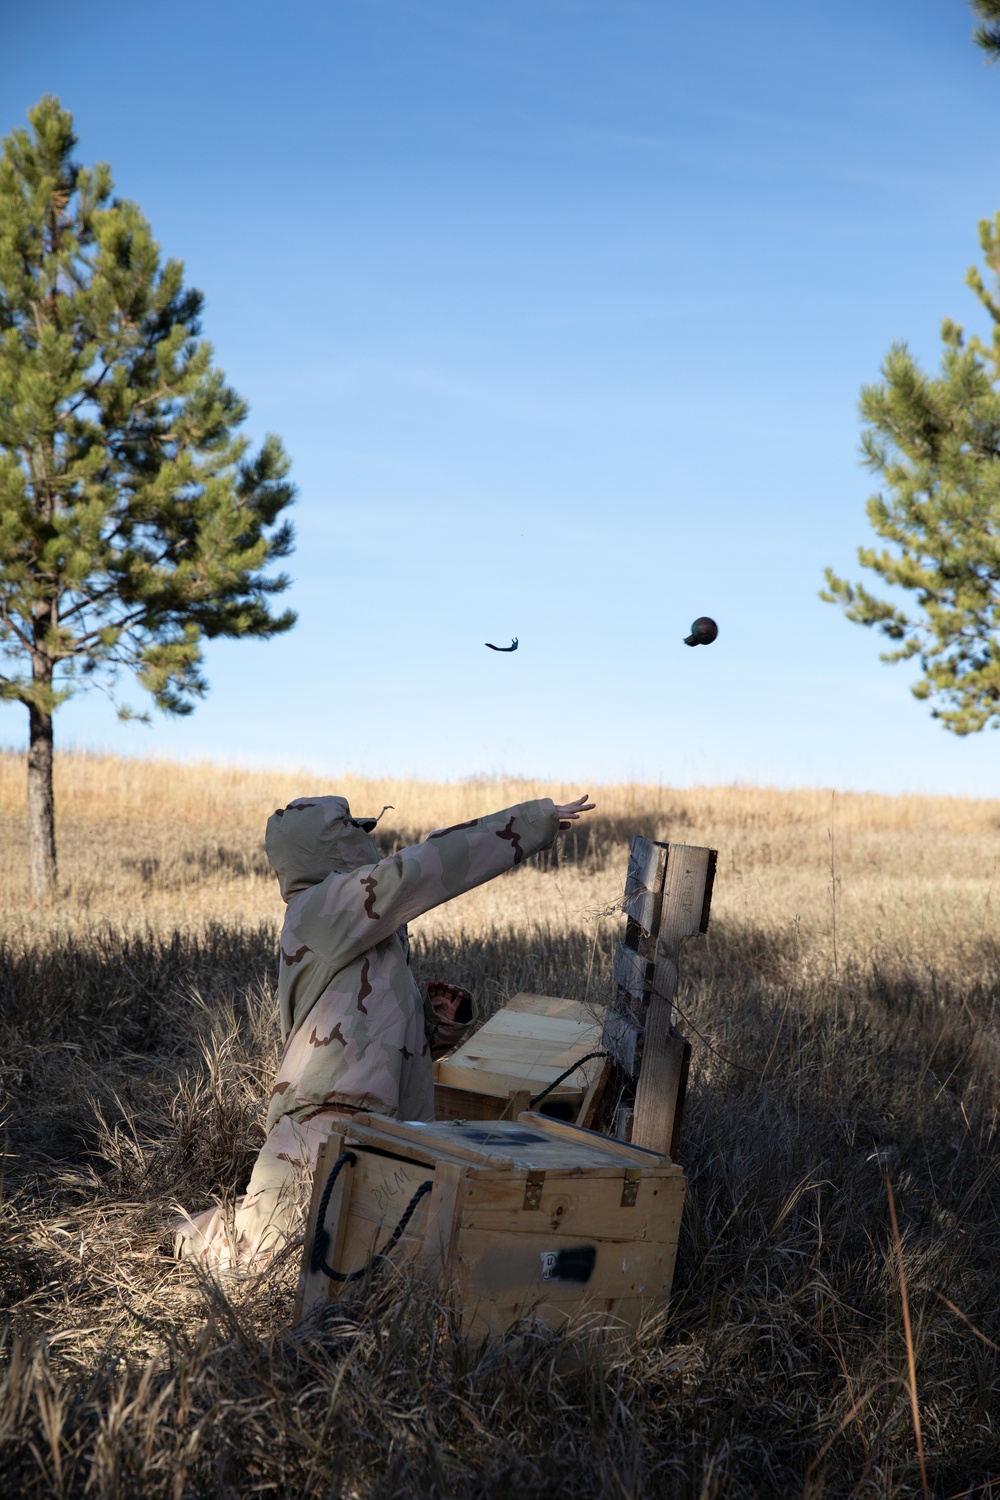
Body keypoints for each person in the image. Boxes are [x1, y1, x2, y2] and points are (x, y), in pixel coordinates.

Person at [172, 790, 596, 1271]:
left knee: (360, 1276)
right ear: (327, 846)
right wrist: (528, 822)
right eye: (354, 830)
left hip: (371, 1132)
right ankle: (179, 1238)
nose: (367, 840)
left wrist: (433, 1022)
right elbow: (418, 868)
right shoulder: (321, 908)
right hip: (321, 1135)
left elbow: (373, 1038)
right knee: (258, 1265)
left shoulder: (361, 925)